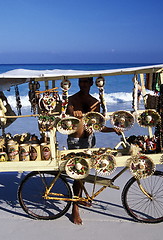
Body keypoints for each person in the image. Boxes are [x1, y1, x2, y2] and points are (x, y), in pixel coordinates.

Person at [67, 77, 121, 225]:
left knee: (83, 174)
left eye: (86, 82)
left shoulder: (95, 102)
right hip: (76, 142)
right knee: (78, 174)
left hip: (89, 141)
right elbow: (67, 120)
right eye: (81, 82)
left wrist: (112, 129)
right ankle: (75, 207)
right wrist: (73, 114)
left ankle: (79, 199)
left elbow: (98, 127)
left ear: (91, 83)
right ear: (78, 83)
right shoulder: (71, 99)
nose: (83, 84)